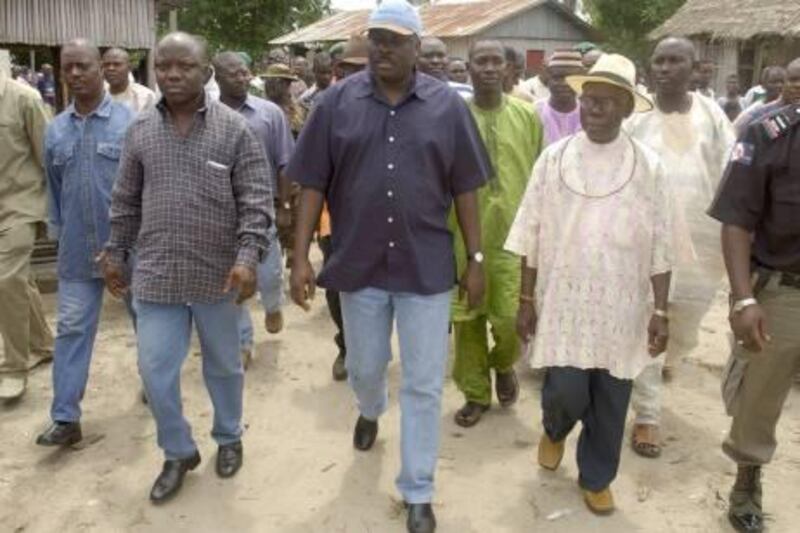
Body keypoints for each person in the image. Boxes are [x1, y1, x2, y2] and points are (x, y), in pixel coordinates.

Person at [287, 1, 489, 530]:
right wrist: (300, 257)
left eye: (395, 40)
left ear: (417, 48)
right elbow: (311, 182)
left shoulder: (447, 106)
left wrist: (477, 259)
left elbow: (466, 187)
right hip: (360, 265)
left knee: (422, 383)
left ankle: (417, 490)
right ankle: (370, 407)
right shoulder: (335, 104)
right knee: (365, 366)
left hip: (426, 269)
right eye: (375, 38)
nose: (382, 48)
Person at [102, 32, 271, 503]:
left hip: (218, 275)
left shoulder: (235, 130)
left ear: (206, 72)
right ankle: (177, 451)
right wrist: (115, 252)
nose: (173, 74)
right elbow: (124, 201)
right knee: (155, 371)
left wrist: (246, 259)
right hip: (155, 275)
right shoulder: (139, 130)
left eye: (185, 66)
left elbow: (257, 203)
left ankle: (229, 436)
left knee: (223, 366)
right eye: (164, 66)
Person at [506, 53, 673, 516]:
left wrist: (661, 310)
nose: (593, 108)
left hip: (623, 306)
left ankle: (597, 476)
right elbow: (530, 235)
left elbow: (662, 244)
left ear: (625, 107)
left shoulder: (650, 167)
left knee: (612, 398)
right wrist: (525, 298)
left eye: (605, 101)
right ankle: (555, 429)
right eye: (588, 100)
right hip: (563, 302)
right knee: (566, 390)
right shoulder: (553, 159)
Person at [625, 37, 735, 459]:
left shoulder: (714, 117)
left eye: (676, 61)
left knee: (684, 325)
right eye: (659, 61)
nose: (666, 68)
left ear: (695, 68)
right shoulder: (636, 117)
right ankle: (648, 415)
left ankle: (670, 357)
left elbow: (731, 177)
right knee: (649, 320)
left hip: (702, 246)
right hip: (644, 242)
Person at [35, 39, 136, 446]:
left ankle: (159, 390)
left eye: (83, 66)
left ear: (101, 69)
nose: (74, 74)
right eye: (67, 67)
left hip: (127, 249)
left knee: (146, 324)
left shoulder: (130, 124)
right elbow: (54, 192)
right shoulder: (55, 130)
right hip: (77, 251)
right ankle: (65, 418)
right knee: (72, 328)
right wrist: (59, 238)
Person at [708, 102, 800, 533]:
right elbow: (737, 221)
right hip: (785, 292)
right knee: (758, 396)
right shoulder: (770, 135)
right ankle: (748, 479)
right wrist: (744, 299)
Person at [450, 40, 543, 428]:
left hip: (515, 241)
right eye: (480, 61)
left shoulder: (528, 116)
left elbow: (541, 176)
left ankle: (503, 364)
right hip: (460, 237)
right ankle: (475, 392)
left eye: (496, 62)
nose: (489, 68)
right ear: (468, 68)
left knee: (510, 320)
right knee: (468, 320)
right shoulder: (453, 118)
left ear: (509, 69)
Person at [213, 51, 295, 362]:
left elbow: (286, 160)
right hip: (221, 211)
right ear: (216, 76)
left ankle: (273, 306)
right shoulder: (206, 114)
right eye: (234, 73)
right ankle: (243, 343)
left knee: (269, 272)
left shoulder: (269, 113)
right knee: (233, 277)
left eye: (245, 72)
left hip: (262, 208)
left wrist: (285, 204)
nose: (243, 78)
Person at [0, 60, 54, 401]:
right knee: (20, 281)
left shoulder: (24, 98)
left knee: (5, 278)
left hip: (21, 204)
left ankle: (14, 368)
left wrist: (54, 213)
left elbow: (48, 156)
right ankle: (43, 343)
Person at [318, 35, 369, 382]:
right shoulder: (326, 107)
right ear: (340, 70)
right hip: (333, 219)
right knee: (337, 289)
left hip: (379, 220)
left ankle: (371, 350)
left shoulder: (392, 105)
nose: (365, 77)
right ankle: (347, 346)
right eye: (356, 70)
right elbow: (311, 171)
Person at [535, 50, 585, 146]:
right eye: (557, 77)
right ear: (548, 78)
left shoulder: (588, 113)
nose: (564, 83)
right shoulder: (535, 112)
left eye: (571, 78)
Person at [733, 65, 788, 136]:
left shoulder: (791, 108)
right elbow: (735, 130)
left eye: (782, 82)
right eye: (774, 82)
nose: (779, 85)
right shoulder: (755, 111)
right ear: (763, 85)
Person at [102, 47, 157, 113]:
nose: (111, 68)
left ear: (129, 68)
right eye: (106, 65)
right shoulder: (97, 97)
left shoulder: (146, 97)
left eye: (117, 64)